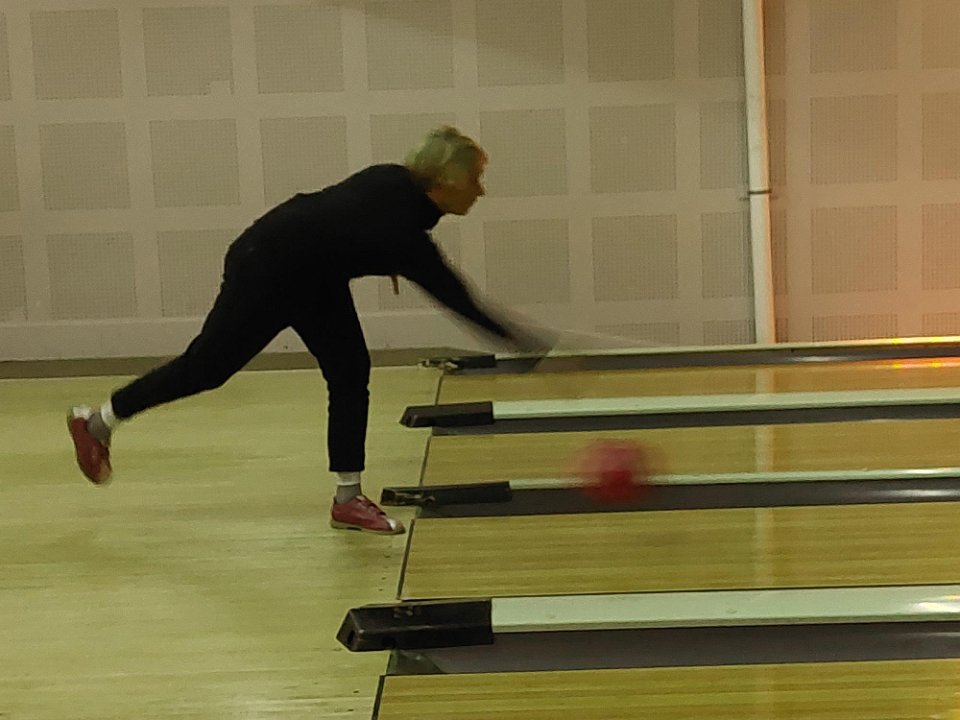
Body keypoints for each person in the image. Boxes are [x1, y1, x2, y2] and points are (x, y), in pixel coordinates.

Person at [67, 126, 547, 535]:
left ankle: (348, 500)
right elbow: (457, 298)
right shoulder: (403, 230)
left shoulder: (394, 183)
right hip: (267, 265)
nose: (480, 191)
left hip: (313, 275)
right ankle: (96, 422)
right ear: (446, 182)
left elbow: (346, 220)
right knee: (207, 369)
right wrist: (526, 346)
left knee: (350, 371)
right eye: (475, 180)